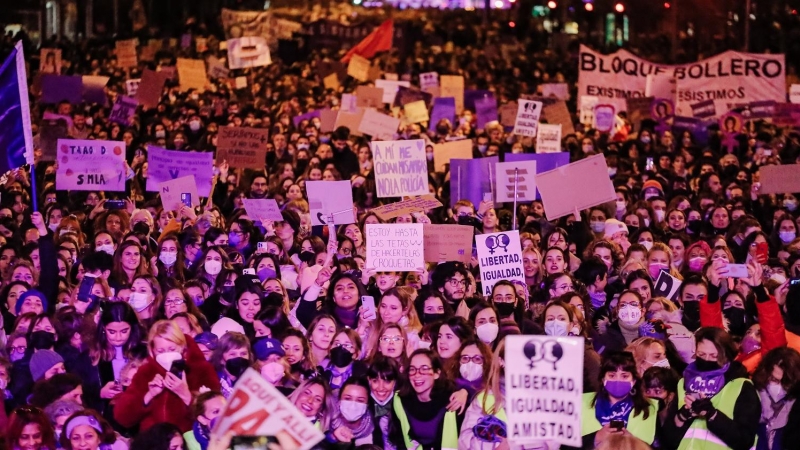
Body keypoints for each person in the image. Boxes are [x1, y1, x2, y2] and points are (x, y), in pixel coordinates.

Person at [662, 327, 760, 450]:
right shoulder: (684, 382)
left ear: (726, 355)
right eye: (701, 354)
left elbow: (745, 440)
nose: (707, 360)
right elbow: (667, 439)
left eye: (714, 356)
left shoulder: (742, 386)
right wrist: (683, 416)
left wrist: (712, 415)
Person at [113, 321, 220, 432]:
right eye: (161, 351)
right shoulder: (146, 372)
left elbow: (215, 415)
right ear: (152, 351)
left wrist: (186, 396)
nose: (167, 354)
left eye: (172, 349)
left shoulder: (201, 369)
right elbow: (122, 417)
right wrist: (149, 396)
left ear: (182, 347)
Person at [580, 352, 659, 448]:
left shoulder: (650, 408)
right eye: (612, 376)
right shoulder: (581, 402)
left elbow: (662, 445)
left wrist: (632, 443)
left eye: (624, 376)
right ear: (602, 379)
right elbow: (564, 446)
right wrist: (595, 438)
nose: (618, 381)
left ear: (633, 381)